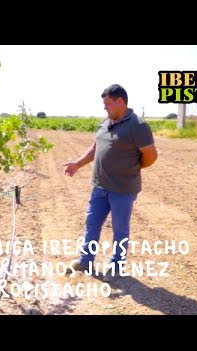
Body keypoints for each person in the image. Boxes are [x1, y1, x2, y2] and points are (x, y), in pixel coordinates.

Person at [62, 84, 157, 282]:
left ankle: (116, 266)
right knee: (92, 223)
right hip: (100, 185)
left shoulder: (138, 125)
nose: (105, 107)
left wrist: (131, 169)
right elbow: (96, 147)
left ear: (120, 101)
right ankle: (85, 260)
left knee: (120, 228)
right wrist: (77, 164)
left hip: (123, 189)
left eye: (107, 104)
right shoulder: (106, 122)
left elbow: (150, 156)